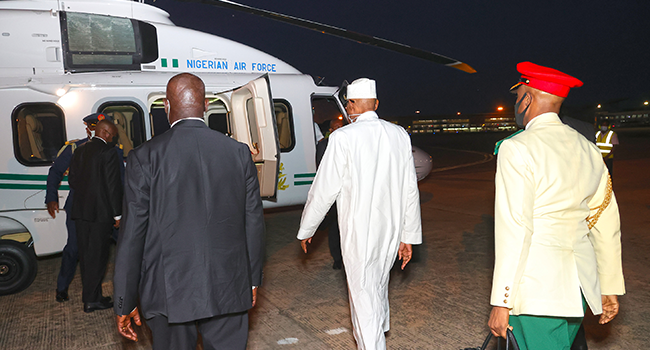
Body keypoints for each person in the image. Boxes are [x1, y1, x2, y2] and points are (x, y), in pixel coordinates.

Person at [113, 73, 265, 350]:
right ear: (206, 105)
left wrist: (124, 297)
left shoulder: (144, 157)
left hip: (168, 290)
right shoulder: (239, 153)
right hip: (229, 283)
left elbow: (132, 233)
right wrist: (253, 279)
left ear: (167, 107)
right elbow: (253, 220)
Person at [488, 62, 626, 350]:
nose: (516, 105)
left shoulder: (518, 148)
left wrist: (502, 301)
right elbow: (605, 220)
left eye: (517, 98)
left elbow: (516, 228)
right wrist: (608, 285)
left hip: (537, 289)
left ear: (527, 99)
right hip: (578, 287)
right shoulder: (588, 148)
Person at [297, 78, 422, 350]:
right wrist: (407, 236)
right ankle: (378, 330)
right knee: (377, 287)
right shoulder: (399, 134)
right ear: (376, 104)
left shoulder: (342, 137)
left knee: (363, 296)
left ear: (351, 105)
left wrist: (307, 229)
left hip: (359, 233)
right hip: (390, 231)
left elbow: (323, 190)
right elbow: (410, 188)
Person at [47, 113, 105, 302]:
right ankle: (62, 287)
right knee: (73, 248)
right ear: (88, 128)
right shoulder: (75, 148)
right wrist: (51, 197)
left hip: (104, 206)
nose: (96, 130)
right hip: (78, 205)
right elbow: (55, 172)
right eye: (94, 127)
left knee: (118, 245)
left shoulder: (112, 147)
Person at [68, 120, 122, 312]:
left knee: (86, 257)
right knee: (98, 258)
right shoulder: (109, 153)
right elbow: (113, 186)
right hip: (100, 215)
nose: (113, 139)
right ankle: (92, 300)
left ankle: (92, 296)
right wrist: (118, 215)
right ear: (106, 133)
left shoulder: (79, 151)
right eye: (113, 135)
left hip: (81, 212)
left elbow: (72, 180)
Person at [315, 118, 346, 270]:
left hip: (348, 193)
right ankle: (337, 258)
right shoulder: (323, 145)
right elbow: (321, 171)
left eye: (341, 126)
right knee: (334, 228)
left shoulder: (350, 142)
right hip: (332, 193)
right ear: (331, 130)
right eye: (336, 127)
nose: (339, 129)